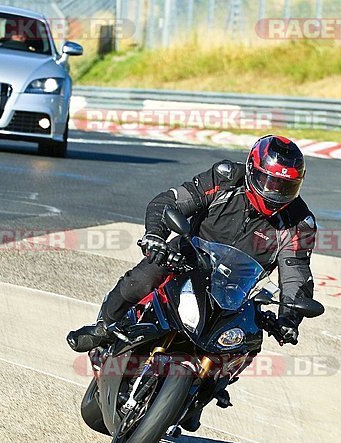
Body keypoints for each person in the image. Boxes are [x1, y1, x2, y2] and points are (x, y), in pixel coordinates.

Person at [68, 135, 317, 357]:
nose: (275, 193)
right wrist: (155, 236)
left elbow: (296, 271)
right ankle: (104, 328)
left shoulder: (299, 222)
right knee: (143, 279)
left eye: (286, 188)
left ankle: (212, 384)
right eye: (270, 183)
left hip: (236, 290)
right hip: (187, 257)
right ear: (253, 170)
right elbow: (171, 201)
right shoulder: (226, 178)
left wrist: (289, 318)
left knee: (248, 340)